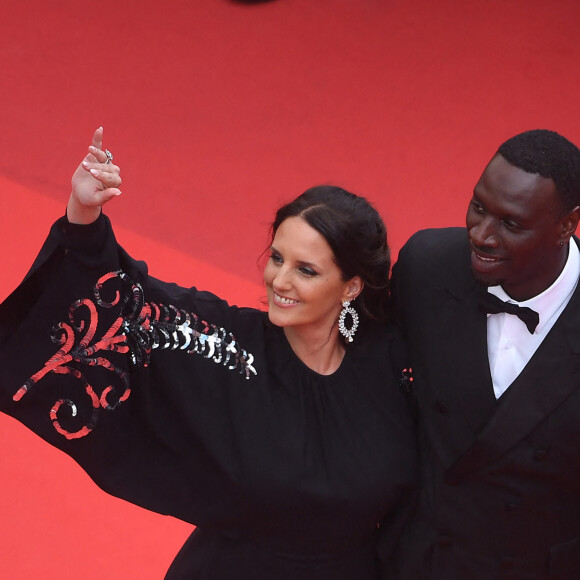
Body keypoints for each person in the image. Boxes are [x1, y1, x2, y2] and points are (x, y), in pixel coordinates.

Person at [0, 128, 416, 579]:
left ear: (351, 286)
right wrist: (84, 215)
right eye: (277, 258)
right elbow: (126, 301)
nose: (279, 281)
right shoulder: (223, 343)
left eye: (306, 270)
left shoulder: (395, 366)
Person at [388, 129, 580, 579]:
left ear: (567, 226)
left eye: (510, 224)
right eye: (478, 207)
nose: (480, 234)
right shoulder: (427, 267)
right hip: (418, 562)